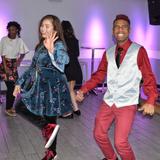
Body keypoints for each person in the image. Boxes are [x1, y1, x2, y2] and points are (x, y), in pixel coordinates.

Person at [76, 14, 158, 160]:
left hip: (127, 103)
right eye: (117, 26)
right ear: (113, 30)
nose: (120, 29)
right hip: (109, 101)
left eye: (124, 26)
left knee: (121, 143)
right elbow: (99, 75)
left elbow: (148, 76)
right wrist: (83, 89)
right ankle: (111, 158)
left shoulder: (139, 51)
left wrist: (151, 100)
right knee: (98, 134)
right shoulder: (108, 52)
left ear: (129, 30)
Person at [13, 15, 73, 160]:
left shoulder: (58, 44)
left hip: (53, 88)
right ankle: (47, 129)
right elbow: (32, 67)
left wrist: (52, 51)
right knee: (20, 106)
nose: (43, 28)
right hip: (39, 86)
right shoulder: (40, 45)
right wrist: (18, 83)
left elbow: (64, 61)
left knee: (51, 120)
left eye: (47, 26)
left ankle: (51, 153)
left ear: (55, 28)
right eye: (42, 25)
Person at [0, 21, 29, 117]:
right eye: (9, 29)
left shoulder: (19, 40)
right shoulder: (4, 39)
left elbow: (24, 52)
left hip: (13, 65)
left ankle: (10, 107)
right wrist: (5, 68)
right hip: (5, 64)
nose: (11, 31)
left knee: (15, 87)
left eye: (13, 29)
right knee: (11, 87)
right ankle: (8, 108)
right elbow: (3, 55)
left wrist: (19, 60)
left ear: (17, 30)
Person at [61, 20, 83, 117]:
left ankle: (67, 112)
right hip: (75, 66)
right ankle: (76, 109)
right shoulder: (75, 40)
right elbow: (77, 54)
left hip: (66, 67)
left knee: (65, 90)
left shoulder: (61, 41)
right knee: (70, 89)